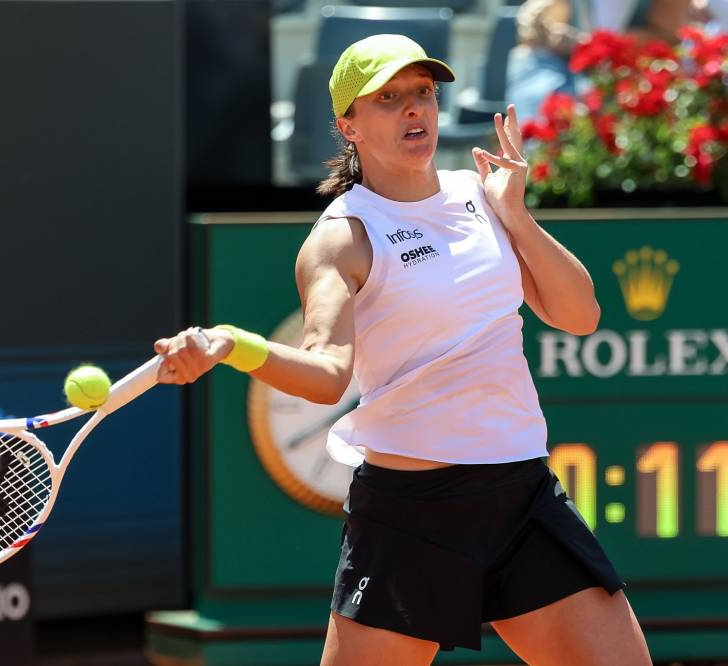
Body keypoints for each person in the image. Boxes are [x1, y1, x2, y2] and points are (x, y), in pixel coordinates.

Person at [152, 34, 653, 666]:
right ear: (347, 125)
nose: (414, 109)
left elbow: (580, 315)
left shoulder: (482, 197)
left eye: (422, 93)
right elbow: (328, 375)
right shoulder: (343, 236)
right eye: (388, 98)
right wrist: (234, 344)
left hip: (522, 496)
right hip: (412, 517)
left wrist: (517, 217)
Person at [508, 0, 690, 121]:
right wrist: (546, 28)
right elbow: (543, 15)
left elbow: (666, 41)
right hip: (570, 73)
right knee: (528, 60)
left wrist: (586, 45)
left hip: (632, 81)